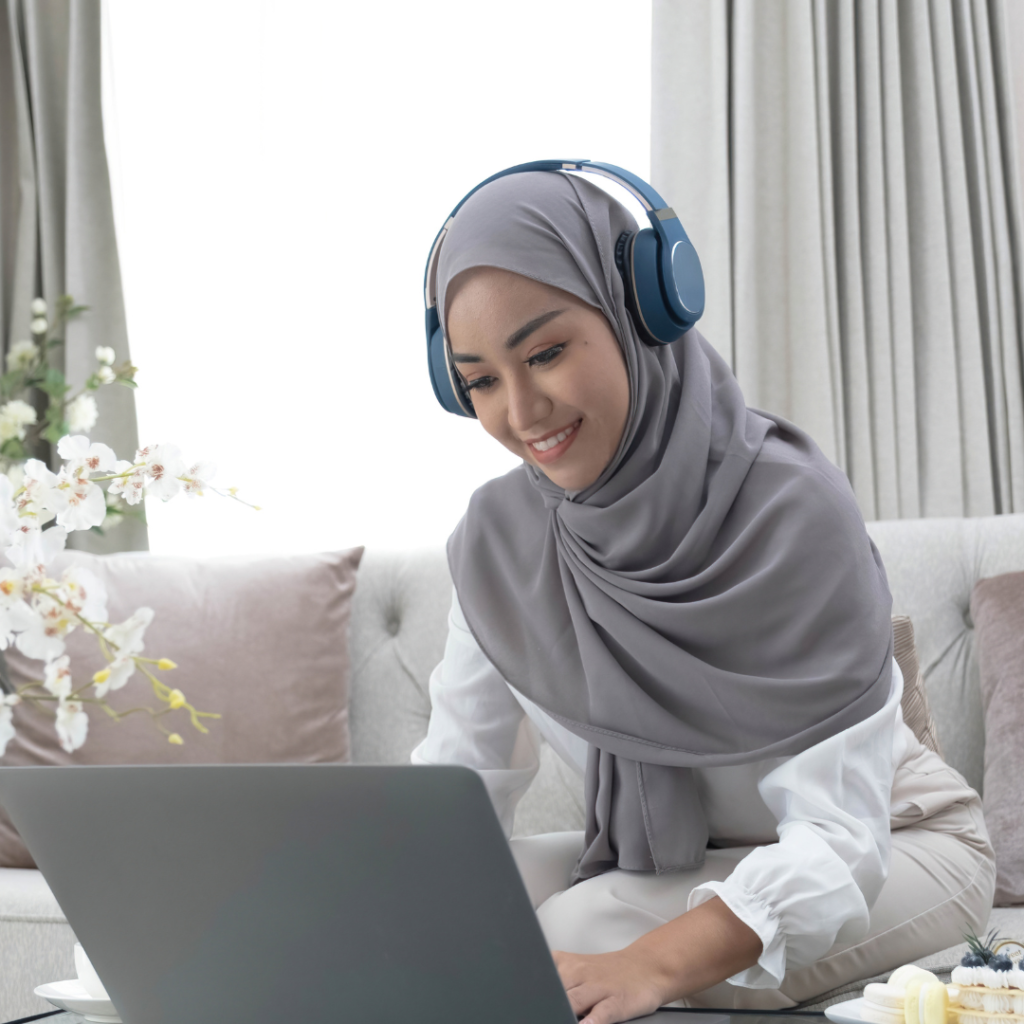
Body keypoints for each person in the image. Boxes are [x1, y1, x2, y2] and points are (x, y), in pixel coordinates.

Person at [412, 168, 995, 1024]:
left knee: (561, 931)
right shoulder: (501, 541)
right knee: (440, 918)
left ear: (643, 309)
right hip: (681, 859)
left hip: (897, 845)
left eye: (544, 353)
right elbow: (456, 792)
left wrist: (651, 966)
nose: (522, 409)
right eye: (482, 380)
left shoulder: (790, 510)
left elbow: (841, 840)